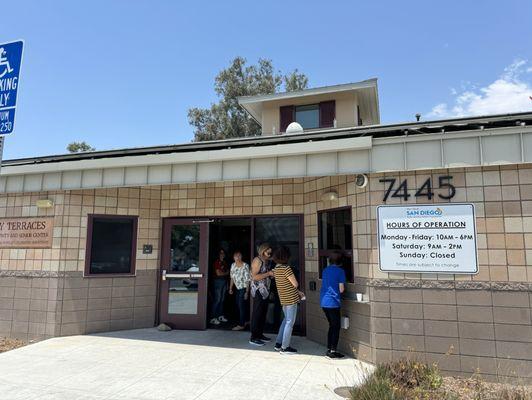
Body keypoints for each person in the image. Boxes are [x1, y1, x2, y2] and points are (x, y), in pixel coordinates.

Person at [272, 246, 301, 355]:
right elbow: (295, 284)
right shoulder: (286, 269)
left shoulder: (276, 268)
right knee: (290, 322)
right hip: (291, 298)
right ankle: (285, 347)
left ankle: (278, 344)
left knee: (285, 321)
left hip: (283, 298)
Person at [320, 250, 347, 359]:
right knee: (335, 327)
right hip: (333, 303)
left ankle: (329, 349)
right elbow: (341, 289)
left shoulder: (325, 270)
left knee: (332, 326)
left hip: (324, 302)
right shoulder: (340, 271)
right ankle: (332, 351)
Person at [249, 243, 274, 346]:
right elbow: (254, 277)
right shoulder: (257, 260)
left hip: (265, 291)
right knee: (257, 313)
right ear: (263, 251)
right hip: (258, 290)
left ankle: (259, 334)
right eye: (268, 252)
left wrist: (270, 275)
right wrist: (268, 274)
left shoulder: (266, 261)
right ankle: (253, 337)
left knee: (263, 313)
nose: (270, 254)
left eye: (270, 252)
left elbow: (264, 275)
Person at [229, 250, 251, 331]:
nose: (237, 258)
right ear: (233, 257)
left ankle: (241, 325)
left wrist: (246, 292)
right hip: (237, 288)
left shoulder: (245, 265)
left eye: (239, 256)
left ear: (241, 257)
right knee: (239, 305)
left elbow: (248, 279)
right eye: (235, 256)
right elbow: (232, 277)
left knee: (241, 306)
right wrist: (230, 288)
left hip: (244, 288)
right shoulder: (233, 265)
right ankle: (245, 321)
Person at [210, 249, 229, 325]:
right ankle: (213, 318)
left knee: (222, 299)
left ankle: (220, 316)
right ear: (218, 254)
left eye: (223, 253)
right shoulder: (217, 262)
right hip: (218, 282)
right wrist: (225, 273)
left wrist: (224, 274)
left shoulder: (224, 262)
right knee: (217, 300)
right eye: (221, 253)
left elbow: (227, 273)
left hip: (224, 282)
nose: (222, 254)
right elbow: (218, 273)